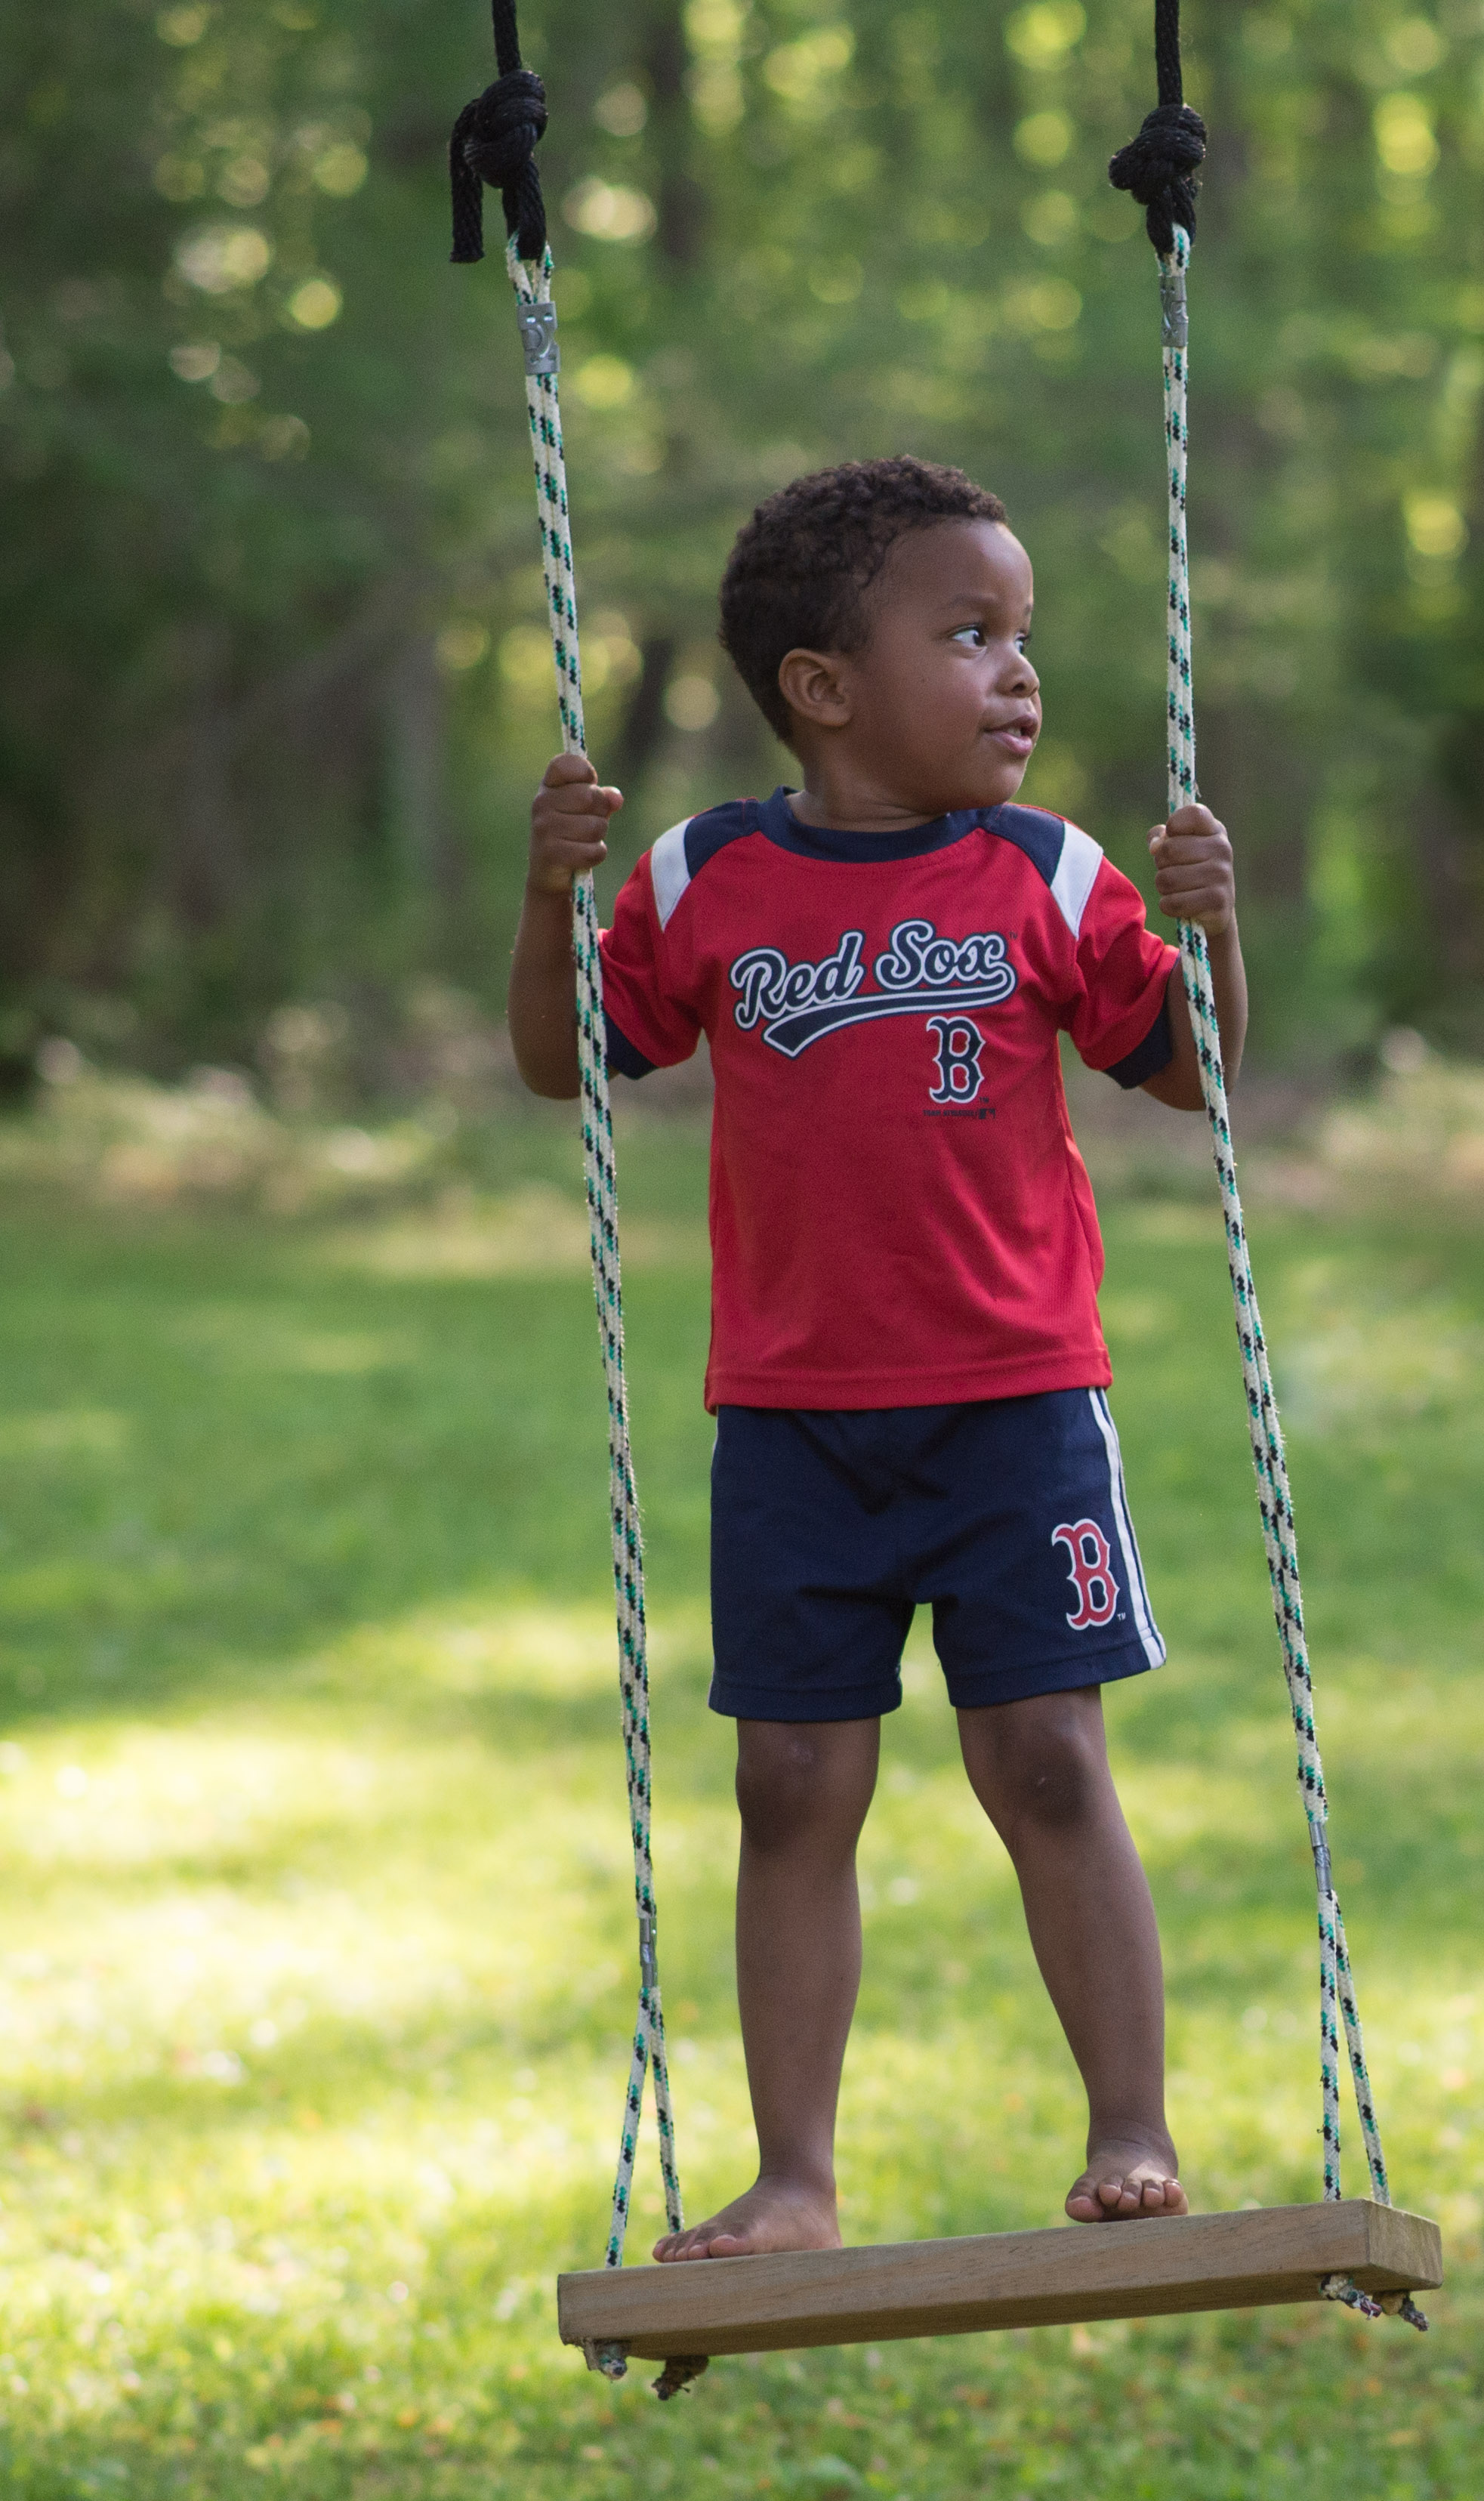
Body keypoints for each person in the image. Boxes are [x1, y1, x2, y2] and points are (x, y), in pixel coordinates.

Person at [508, 455, 1248, 2253]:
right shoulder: (704, 876)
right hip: (791, 1420)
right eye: (970, 634)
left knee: (1047, 1756)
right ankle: (795, 2179)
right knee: (788, 1785)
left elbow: (1193, 1072)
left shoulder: (1046, 869)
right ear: (823, 688)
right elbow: (564, 1059)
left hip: (1016, 1407)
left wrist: (1215, 928)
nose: (1020, 672)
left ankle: (1130, 2130)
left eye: (1021, 634)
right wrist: (547, 900)